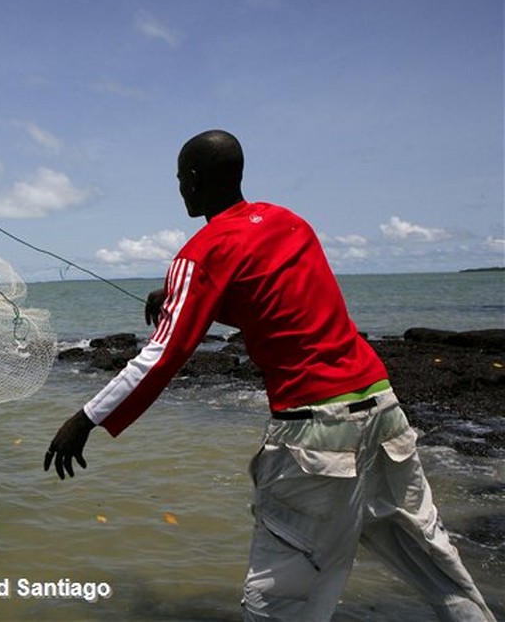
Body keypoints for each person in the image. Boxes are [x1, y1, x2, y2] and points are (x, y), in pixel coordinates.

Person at [43, 130, 495, 621]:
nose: (179, 190)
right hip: (383, 409)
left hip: (314, 432)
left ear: (192, 180)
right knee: (435, 564)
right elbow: (274, 303)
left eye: (179, 179)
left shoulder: (202, 251)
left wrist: (85, 419)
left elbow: (161, 357)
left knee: (276, 604)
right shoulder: (289, 222)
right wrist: (176, 295)